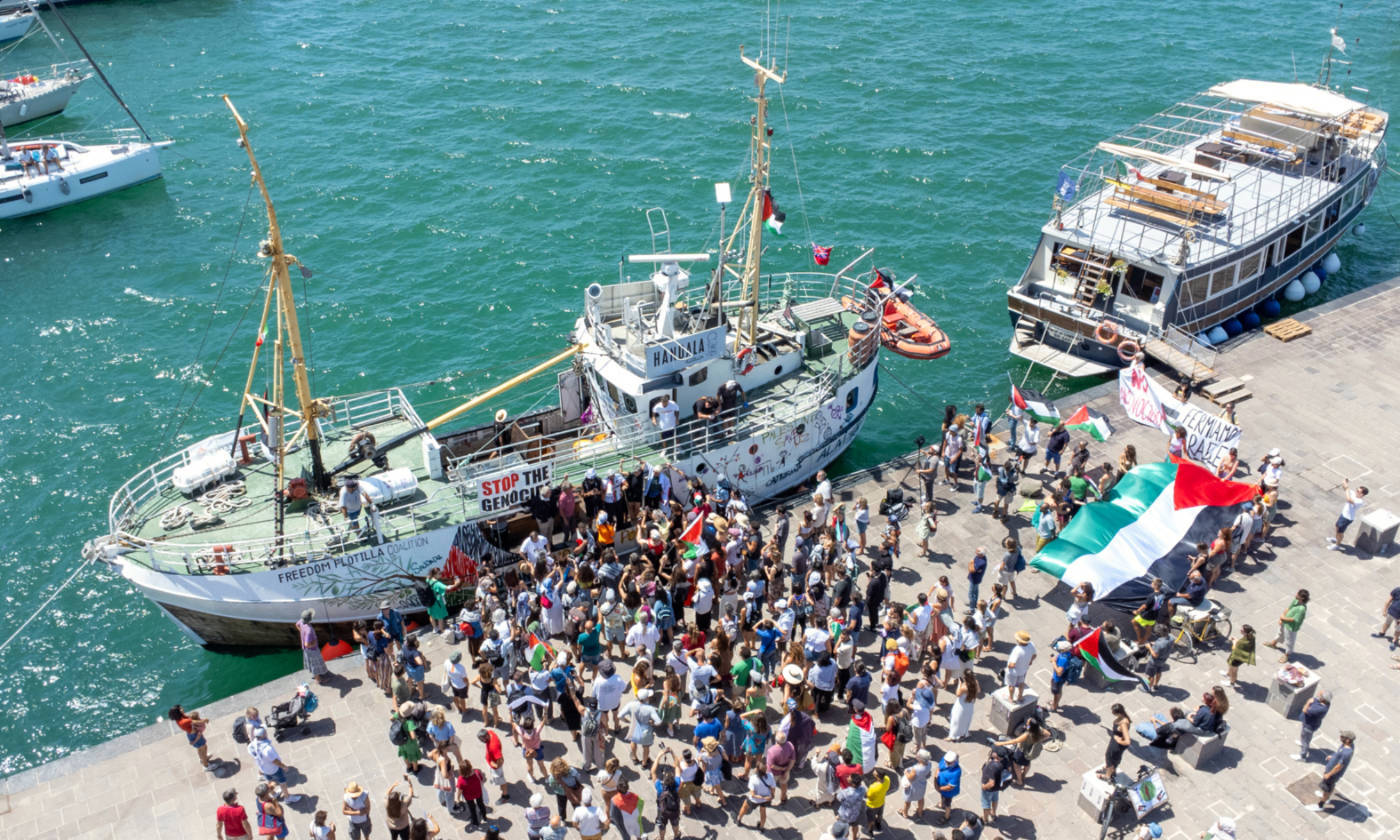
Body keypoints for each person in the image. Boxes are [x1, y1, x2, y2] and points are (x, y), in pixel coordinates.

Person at [247, 727, 302, 802]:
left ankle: (273, 793)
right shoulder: (267, 748)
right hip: (274, 769)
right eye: (265, 733)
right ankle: (287, 797)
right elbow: (275, 761)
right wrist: (283, 766)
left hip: (264, 769)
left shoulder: (252, 745)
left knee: (269, 781)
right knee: (282, 782)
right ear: (263, 735)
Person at [1310, 732, 1356, 811]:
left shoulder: (1347, 753)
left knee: (1327, 788)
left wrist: (1329, 774)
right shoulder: (1345, 746)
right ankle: (1326, 797)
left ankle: (1320, 805)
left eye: (1342, 737)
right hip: (1330, 771)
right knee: (1328, 787)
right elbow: (1339, 754)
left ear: (1348, 740)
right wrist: (1333, 756)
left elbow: (1339, 766)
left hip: (1333, 774)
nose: (1340, 737)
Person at [1263, 589, 1309, 663]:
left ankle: (1287, 655)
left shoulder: (1302, 609)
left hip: (1291, 627)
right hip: (1284, 622)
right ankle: (1273, 644)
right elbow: (1288, 608)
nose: (1296, 594)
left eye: (1298, 594)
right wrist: (1282, 617)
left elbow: (1293, 620)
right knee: (1280, 633)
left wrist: (1283, 618)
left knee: (1289, 641)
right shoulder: (1296, 601)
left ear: (1302, 598)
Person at [169, 704, 218, 771]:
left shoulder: (180, 718)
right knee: (203, 748)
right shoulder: (184, 721)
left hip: (192, 734)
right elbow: (195, 721)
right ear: (178, 712)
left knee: (200, 748)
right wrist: (205, 720)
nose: (182, 709)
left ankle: (202, 759)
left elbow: (189, 719)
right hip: (195, 735)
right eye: (180, 709)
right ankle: (206, 765)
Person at [1329, 478, 1369, 550]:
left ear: (1362, 494)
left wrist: (1347, 489)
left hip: (1347, 518)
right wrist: (1345, 482)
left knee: (1340, 532)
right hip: (1343, 514)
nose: (1356, 491)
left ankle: (1337, 544)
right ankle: (1336, 539)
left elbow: (1349, 499)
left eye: (1358, 491)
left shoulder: (1360, 501)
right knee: (1337, 526)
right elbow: (1345, 488)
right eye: (1357, 489)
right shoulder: (1353, 494)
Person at [1293, 689, 1332, 761]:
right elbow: (1316, 700)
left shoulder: (1318, 709)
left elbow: (1305, 710)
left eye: (1319, 695)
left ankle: (1302, 756)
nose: (1317, 696)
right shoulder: (1326, 703)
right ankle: (1302, 742)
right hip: (1309, 723)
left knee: (1306, 741)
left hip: (1309, 726)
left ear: (1323, 699)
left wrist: (1308, 702)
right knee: (1303, 736)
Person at [295, 609, 331, 684]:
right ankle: (318, 679)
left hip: (306, 650)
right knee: (315, 664)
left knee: (311, 663)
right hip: (312, 650)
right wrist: (314, 643)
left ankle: (316, 675)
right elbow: (307, 644)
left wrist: (301, 632)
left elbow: (297, 624)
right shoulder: (309, 630)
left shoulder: (301, 621)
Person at [1100, 704, 1131, 781]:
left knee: (1110, 758)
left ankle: (1107, 776)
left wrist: (1119, 740)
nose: (1112, 713)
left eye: (1113, 712)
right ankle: (1110, 770)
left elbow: (1127, 741)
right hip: (1114, 742)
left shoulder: (1123, 723)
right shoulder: (1123, 717)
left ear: (1118, 713)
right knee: (1111, 757)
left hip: (1117, 745)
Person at [454, 759, 487, 830]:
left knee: (472, 809)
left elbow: (459, 791)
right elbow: (482, 780)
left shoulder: (461, 780)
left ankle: (475, 822)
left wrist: (458, 799)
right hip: (478, 793)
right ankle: (484, 816)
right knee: (481, 804)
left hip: (469, 797)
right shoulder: (477, 773)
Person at [900, 748, 932, 818]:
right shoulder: (929, 764)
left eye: (918, 755)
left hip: (913, 787)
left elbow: (910, 778)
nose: (916, 755)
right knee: (921, 799)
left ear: (921, 759)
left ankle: (905, 813)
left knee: (907, 801)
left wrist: (905, 772)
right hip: (922, 785)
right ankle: (920, 812)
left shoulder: (916, 769)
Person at [1005, 631, 1036, 702]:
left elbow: (1012, 664)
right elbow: (1034, 655)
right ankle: (1020, 696)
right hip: (1023, 670)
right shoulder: (1031, 645)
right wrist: (1030, 661)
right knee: (1021, 683)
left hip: (1013, 672)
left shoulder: (1017, 650)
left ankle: (1011, 698)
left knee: (1011, 685)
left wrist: (1008, 666)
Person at [1222, 624, 1255, 689]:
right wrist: (1236, 640)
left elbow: (1235, 648)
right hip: (1240, 656)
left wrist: (1234, 642)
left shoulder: (1245, 641)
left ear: (1245, 632)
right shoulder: (1249, 637)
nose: (1240, 629)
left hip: (1238, 658)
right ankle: (1228, 674)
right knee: (1230, 666)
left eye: (1242, 630)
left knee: (1234, 671)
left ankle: (1232, 683)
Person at [948, 670, 979, 741]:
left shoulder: (964, 687)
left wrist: (959, 684)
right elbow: (978, 690)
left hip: (961, 706)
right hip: (970, 705)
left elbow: (957, 694)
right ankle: (964, 733)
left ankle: (954, 735)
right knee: (966, 720)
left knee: (956, 720)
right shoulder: (975, 683)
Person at [980, 748, 1006, 824]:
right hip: (996, 788)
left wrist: (984, 787)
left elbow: (991, 783)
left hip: (988, 789)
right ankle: (993, 813)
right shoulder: (1001, 764)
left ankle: (985, 819)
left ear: (996, 755)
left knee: (986, 804)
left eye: (994, 752)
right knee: (995, 799)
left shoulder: (993, 767)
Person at [935, 750, 961, 824]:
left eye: (949, 763)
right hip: (942, 789)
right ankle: (941, 804)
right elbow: (938, 768)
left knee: (947, 803)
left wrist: (939, 788)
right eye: (946, 761)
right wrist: (935, 778)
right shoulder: (945, 760)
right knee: (942, 797)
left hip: (948, 792)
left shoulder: (956, 771)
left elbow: (950, 787)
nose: (946, 763)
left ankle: (947, 816)